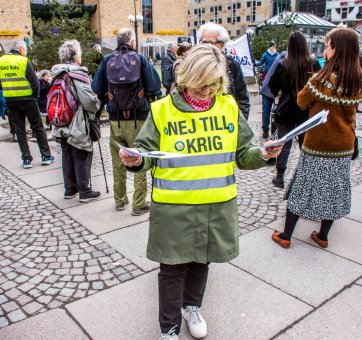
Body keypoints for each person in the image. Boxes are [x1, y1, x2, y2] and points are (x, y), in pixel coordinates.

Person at [118, 44, 283, 340]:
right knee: (171, 269)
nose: (208, 91)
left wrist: (264, 154)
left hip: (215, 205)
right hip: (173, 207)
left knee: (201, 261)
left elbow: (243, 153)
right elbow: (144, 153)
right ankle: (168, 330)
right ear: (186, 79)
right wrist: (136, 160)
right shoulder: (162, 110)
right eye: (202, 85)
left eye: (215, 84)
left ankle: (191, 307)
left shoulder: (228, 106)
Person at [272, 26, 362, 249]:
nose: (325, 49)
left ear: (336, 48)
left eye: (328, 45)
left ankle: (286, 236)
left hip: (318, 144)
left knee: (302, 188)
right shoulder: (359, 79)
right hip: (344, 145)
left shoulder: (322, 80)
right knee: (334, 190)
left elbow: (302, 101)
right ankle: (322, 236)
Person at [92, 27, 162, 213]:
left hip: (115, 120)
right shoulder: (140, 59)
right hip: (138, 119)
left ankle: (120, 200)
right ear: (132, 42)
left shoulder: (107, 60)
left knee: (118, 161)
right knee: (138, 157)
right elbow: (155, 87)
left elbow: (96, 88)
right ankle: (139, 204)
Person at [51, 40, 101, 203]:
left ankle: (70, 189)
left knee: (67, 156)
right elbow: (89, 102)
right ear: (76, 56)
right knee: (82, 154)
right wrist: (97, 103)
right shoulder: (77, 75)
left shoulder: (57, 74)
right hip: (77, 124)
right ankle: (85, 191)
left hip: (60, 123)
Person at [268, 31, 321, 188]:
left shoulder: (283, 64)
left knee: (283, 143)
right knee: (306, 145)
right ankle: (305, 178)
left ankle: (279, 177)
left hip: (286, 109)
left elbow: (272, 88)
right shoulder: (313, 63)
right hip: (307, 111)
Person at [0, 40, 54, 169]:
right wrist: (35, 95)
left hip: (11, 99)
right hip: (28, 99)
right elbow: (35, 82)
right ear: (21, 49)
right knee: (38, 127)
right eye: (26, 50)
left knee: (20, 130)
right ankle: (46, 156)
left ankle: (26, 159)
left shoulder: (1, 61)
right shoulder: (23, 61)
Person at [199, 22, 250, 120]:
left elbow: (243, 97)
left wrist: (240, 122)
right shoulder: (193, 65)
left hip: (226, 120)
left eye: (210, 43)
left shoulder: (232, 65)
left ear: (222, 44)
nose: (206, 46)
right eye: (203, 42)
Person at [259, 51, 286, 139]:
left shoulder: (281, 57)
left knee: (267, 110)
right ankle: (267, 130)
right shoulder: (284, 56)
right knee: (268, 110)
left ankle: (266, 131)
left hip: (269, 86)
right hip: (270, 87)